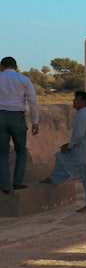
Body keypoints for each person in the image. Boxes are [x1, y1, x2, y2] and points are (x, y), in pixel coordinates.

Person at [40, 90, 86, 212]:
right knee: (63, 159)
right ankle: (53, 179)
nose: (74, 101)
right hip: (81, 151)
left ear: (84, 101)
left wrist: (70, 145)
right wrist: (69, 145)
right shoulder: (84, 114)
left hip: (84, 152)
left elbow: (79, 135)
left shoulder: (84, 115)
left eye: (77, 99)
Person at [0, 56, 41, 194]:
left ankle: (5, 185)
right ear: (16, 67)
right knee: (21, 150)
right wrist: (35, 121)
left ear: (1, 67)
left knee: (2, 153)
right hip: (17, 117)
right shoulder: (24, 80)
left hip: (1, 116)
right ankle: (17, 182)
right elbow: (33, 102)